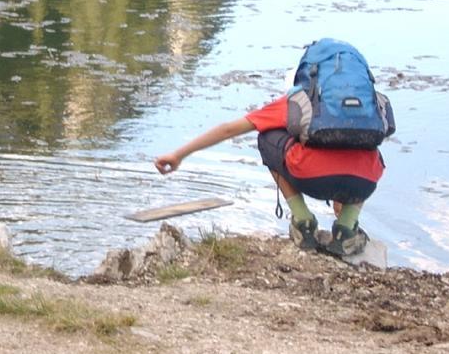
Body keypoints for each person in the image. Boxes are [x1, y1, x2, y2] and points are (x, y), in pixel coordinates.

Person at [153, 68, 386, 258]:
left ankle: (303, 221)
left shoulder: (295, 102)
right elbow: (349, 156)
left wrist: (179, 155)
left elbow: (228, 129)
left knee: (267, 137)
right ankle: (347, 228)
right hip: (363, 183)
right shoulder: (364, 108)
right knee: (369, 152)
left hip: (312, 176)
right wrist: (344, 198)